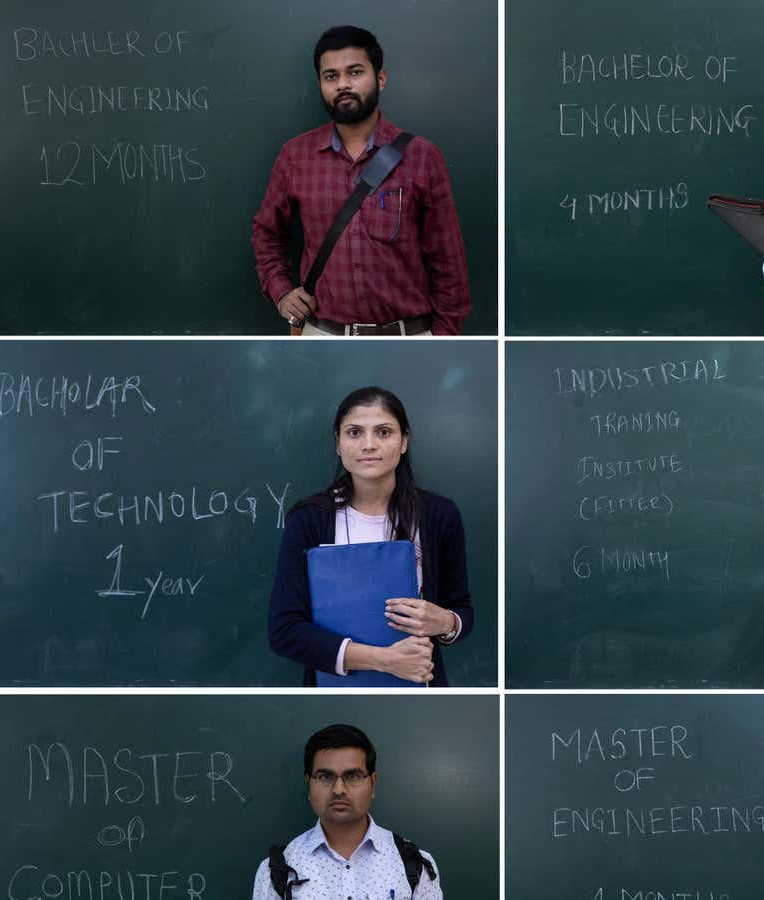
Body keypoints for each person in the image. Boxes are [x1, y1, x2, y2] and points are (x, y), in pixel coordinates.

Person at [252, 25, 470, 335]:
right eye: (331, 76)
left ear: (380, 78)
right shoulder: (295, 156)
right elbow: (266, 232)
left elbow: (448, 261)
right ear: (320, 84)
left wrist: (444, 337)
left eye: (355, 72)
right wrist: (282, 291)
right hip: (321, 334)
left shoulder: (422, 156)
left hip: (411, 335)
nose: (343, 84)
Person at [269, 386, 473, 685]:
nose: (368, 445)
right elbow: (284, 630)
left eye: (383, 432)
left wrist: (445, 622)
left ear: (404, 441)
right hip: (333, 686)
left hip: (418, 684)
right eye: (354, 432)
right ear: (338, 443)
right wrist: (385, 660)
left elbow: (461, 609)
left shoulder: (438, 515)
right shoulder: (309, 520)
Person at [253, 724, 443, 899]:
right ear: (308, 783)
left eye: (352, 776)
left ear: (373, 783)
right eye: (325, 776)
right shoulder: (277, 870)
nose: (338, 789)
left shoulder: (416, 864)